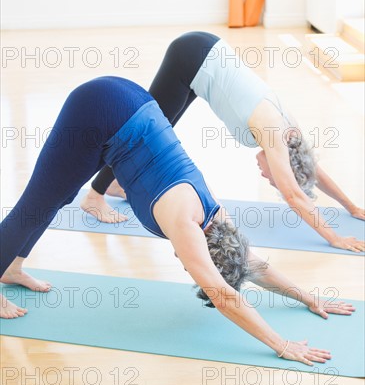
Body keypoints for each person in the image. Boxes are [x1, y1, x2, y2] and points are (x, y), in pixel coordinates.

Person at [0, 76, 355, 366]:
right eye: (192, 269)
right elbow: (224, 296)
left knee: (57, 197)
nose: (185, 267)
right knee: (35, 201)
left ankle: (12, 267)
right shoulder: (186, 225)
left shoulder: (217, 217)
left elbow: (255, 266)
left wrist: (308, 298)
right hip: (101, 109)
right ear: (205, 254)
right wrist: (282, 344)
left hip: (133, 103)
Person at [82, 32, 365, 253]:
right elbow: (294, 196)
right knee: (142, 129)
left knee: (160, 127)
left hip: (204, 55)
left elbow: (313, 170)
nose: (268, 178)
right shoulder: (273, 134)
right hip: (192, 57)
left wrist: (351, 207)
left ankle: (115, 184)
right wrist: (334, 237)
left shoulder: (291, 134)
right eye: (274, 178)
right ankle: (94, 197)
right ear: (285, 162)